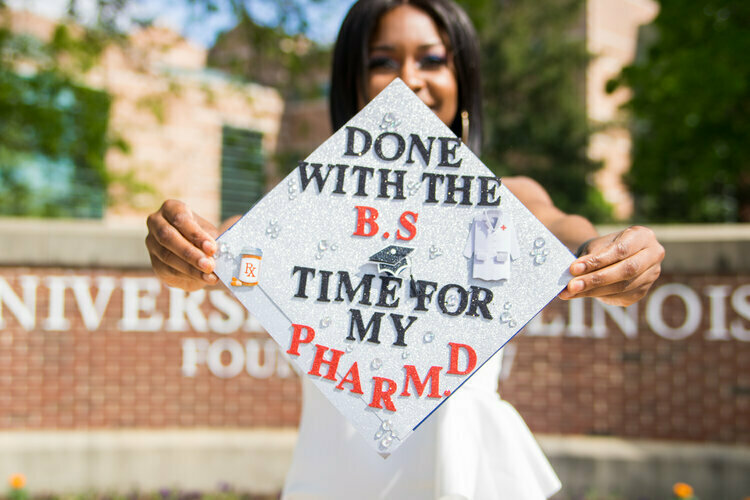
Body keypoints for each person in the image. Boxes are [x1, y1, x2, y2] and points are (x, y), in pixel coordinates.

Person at [145, 0, 665, 498]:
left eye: (432, 59)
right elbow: (228, 243)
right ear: (352, 80)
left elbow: (565, 231)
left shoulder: (502, 201)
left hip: (464, 472)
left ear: (463, 77)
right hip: (336, 475)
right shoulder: (311, 209)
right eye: (382, 62)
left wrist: (610, 256)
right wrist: (187, 251)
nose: (408, 78)